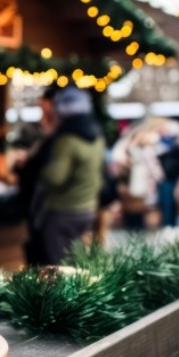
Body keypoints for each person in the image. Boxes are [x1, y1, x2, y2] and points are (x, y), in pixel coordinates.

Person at [38, 86, 105, 264]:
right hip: (88, 208)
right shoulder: (97, 137)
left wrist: (40, 169)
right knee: (77, 260)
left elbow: (56, 177)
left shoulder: (67, 140)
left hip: (64, 209)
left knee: (59, 264)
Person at [14, 86, 58, 265]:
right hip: (35, 199)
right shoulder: (34, 129)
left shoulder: (61, 133)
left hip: (52, 202)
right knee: (38, 249)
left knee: (51, 255)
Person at [155, 120, 179, 227]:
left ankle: (170, 224)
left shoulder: (174, 146)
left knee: (169, 202)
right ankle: (167, 223)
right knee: (165, 202)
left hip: (170, 178)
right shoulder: (160, 144)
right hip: (165, 178)